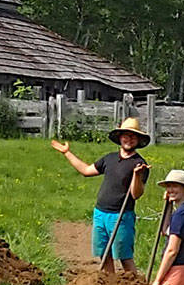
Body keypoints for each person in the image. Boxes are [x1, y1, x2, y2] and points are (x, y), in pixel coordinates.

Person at [50, 117, 151, 274]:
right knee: (104, 255)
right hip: (100, 213)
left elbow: (135, 194)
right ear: (120, 137)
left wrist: (137, 175)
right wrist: (67, 153)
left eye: (133, 136)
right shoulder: (109, 158)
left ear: (138, 140)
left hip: (121, 215)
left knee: (124, 256)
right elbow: (86, 170)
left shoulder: (139, 164)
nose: (129, 139)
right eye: (126, 135)